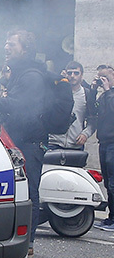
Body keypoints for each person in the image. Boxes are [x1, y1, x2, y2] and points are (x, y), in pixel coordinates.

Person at [0, 30, 47, 258]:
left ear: (24, 49)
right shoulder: (17, 74)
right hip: (15, 141)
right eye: (6, 42)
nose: (6, 47)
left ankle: (29, 243)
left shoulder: (31, 76)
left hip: (29, 144)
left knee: (29, 193)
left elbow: (19, 106)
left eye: (12, 44)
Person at [48, 61, 96, 150]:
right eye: (69, 73)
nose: (72, 76)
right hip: (54, 143)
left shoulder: (87, 94)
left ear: (81, 75)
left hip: (75, 143)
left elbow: (93, 119)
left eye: (76, 73)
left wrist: (85, 134)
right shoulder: (56, 91)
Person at [93, 66, 114, 231]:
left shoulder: (111, 95)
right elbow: (93, 110)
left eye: (105, 77)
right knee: (108, 182)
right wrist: (94, 90)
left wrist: (108, 90)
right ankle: (111, 217)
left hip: (113, 144)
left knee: (113, 183)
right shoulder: (104, 95)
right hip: (104, 142)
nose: (102, 81)